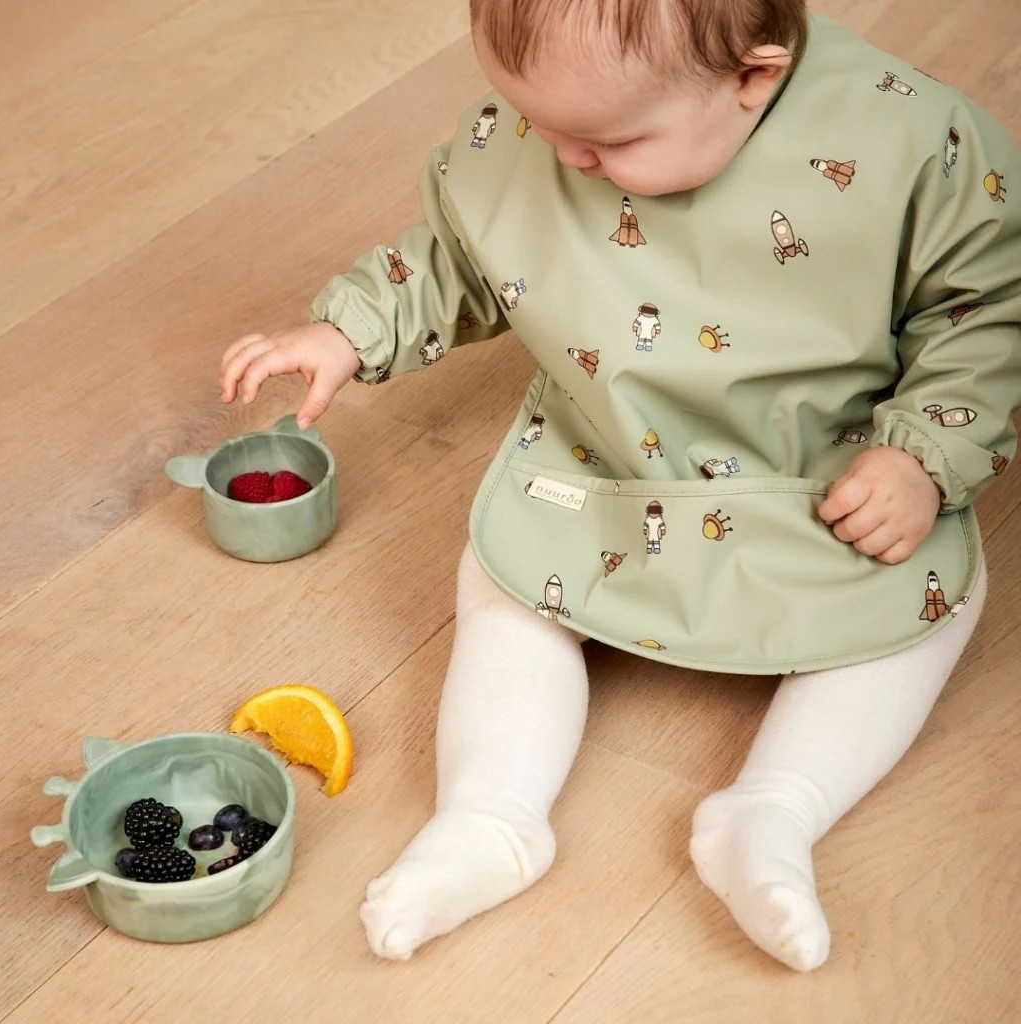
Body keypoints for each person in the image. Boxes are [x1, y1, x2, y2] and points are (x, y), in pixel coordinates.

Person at [219, 0, 1021, 971]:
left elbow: (986, 311)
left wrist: (920, 457)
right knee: (504, 584)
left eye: (607, 143)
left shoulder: (911, 147)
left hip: (829, 460)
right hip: (608, 449)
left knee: (932, 598)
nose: (564, 159)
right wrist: (350, 328)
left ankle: (774, 810)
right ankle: (489, 815)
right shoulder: (565, 125)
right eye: (534, 121)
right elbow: (466, 251)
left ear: (753, 78)